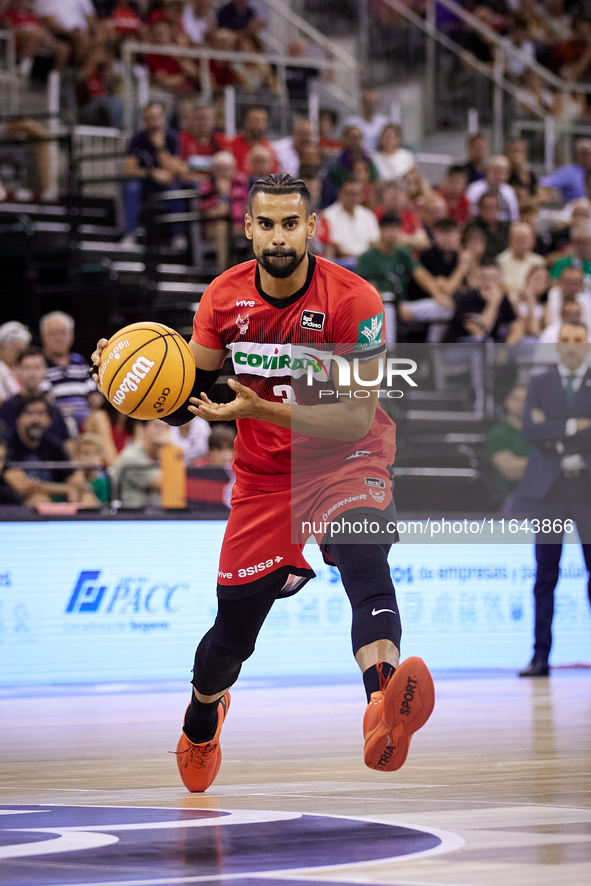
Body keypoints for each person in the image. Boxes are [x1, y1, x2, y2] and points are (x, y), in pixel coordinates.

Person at [92, 172, 436, 793]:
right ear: (248, 228)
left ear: (311, 227)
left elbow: (357, 415)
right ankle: (203, 716)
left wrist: (260, 410)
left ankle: (383, 706)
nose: (279, 236)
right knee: (231, 636)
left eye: (290, 223)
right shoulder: (221, 299)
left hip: (348, 458)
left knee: (365, 560)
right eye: (267, 224)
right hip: (265, 479)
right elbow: (186, 397)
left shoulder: (354, 300)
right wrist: (121, 377)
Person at [517, 321, 591, 677]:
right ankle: (540, 656)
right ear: (557, 346)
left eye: (579, 340)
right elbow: (531, 430)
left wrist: (554, 430)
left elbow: (543, 429)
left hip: (587, 490)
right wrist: (577, 426)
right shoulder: (540, 382)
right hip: (550, 491)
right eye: (566, 340)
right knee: (545, 575)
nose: (573, 346)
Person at [3, 395, 96, 506]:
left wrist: (77, 486)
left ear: (49, 420)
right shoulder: (8, 446)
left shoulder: (54, 445)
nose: (35, 419)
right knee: (39, 499)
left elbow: (75, 480)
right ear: (18, 419)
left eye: (41, 413)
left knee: (87, 499)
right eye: (29, 413)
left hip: (56, 499)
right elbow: (22, 486)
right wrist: (66, 489)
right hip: (17, 505)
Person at [122, 102, 189, 252]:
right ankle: (130, 234)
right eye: (150, 118)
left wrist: (160, 147)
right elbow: (129, 169)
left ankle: (178, 236)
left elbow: (175, 168)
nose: (154, 121)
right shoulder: (138, 138)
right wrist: (152, 173)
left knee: (175, 190)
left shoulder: (172, 138)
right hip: (145, 182)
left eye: (157, 117)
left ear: (163, 118)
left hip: (167, 181)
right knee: (132, 187)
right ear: (144, 120)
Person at [0, 346, 70, 445]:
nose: (32, 374)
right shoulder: (6, 408)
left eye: (37, 367)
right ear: (17, 370)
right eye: (27, 368)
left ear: (45, 370)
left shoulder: (53, 410)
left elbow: (66, 443)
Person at [40, 311, 96, 431]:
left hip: (86, 417)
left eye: (63, 333)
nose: (58, 338)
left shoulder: (79, 361)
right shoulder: (40, 364)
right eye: (53, 333)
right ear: (43, 337)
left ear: (71, 336)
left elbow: (93, 393)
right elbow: (46, 399)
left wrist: (96, 400)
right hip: (58, 418)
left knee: (100, 417)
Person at [443, 261, 518, 343]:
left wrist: (506, 347)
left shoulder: (503, 298)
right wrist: (493, 302)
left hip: (488, 345)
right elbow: (481, 330)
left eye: (494, 278)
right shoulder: (466, 299)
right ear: (479, 279)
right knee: (483, 341)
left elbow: (517, 324)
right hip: (461, 344)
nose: (490, 282)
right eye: (486, 278)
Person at [317, 179, 380, 268]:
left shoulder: (368, 215)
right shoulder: (328, 215)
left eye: (356, 194)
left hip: (367, 262)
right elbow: (333, 246)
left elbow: (374, 242)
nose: (353, 198)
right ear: (340, 193)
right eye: (349, 194)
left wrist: (364, 258)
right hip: (341, 263)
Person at [111, 418, 171, 507]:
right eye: (156, 425)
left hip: (155, 514)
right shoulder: (132, 457)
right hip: (133, 515)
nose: (161, 431)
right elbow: (169, 483)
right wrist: (170, 445)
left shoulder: (162, 454)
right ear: (143, 428)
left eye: (166, 427)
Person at [486, 385, 530, 506]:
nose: (521, 404)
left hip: (543, 494)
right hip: (511, 495)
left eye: (526, 400)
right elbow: (510, 472)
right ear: (507, 402)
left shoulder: (542, 433)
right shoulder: (498, 433)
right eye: (516, 399)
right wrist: (541, 463)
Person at [497, 222, 546, 299]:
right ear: (510, 240)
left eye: (525, 240)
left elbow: (541, 287)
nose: (521, 243)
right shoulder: (500, 260)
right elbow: (499, 284)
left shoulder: (539, 261)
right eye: (518, 239)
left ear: (532, 241)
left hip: (532, 300)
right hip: (507, 300)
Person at [179, 104, 229, 177]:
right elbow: (178, 166)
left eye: (207, 118)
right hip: (190, 182)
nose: (203, 122)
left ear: (213, 121)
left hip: (215, 182)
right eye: (199, 118)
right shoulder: (182, 139)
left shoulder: (221, 139)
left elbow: (227, 167)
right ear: (191, 120)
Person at [466, 156, 520, 223]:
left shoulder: (509, 191)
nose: (498, 176)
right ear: (487, 170)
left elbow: (514, 217)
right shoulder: (474, 189)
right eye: (495, 171)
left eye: (502, 172)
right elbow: (469, 213)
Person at [230, 106, 279, 176]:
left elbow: (274, 174)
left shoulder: (270, 149)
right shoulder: (233, 145)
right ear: (246, 122)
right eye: (253, 120)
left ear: (266, 124)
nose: (256, 124)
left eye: (260, 121)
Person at [540, 138, 591, 204]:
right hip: (575, 209)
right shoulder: (569, 172)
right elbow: (544, 183)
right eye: (584, 153)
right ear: (577, 154)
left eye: (588, 153)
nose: (587, 157)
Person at [465, 192, 511, 259]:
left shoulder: (506, 226)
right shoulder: (472, 227)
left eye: (493, 207)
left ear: (498, 208)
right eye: (486, 207)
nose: (490, 211)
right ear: (480, 209)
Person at [546, 265, 591, 330]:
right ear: (560, 282)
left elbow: (588, 326)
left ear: (581, 285)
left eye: (575, 283)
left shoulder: (584, 299)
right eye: (568, 282)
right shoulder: (554, 294)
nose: (571, 287)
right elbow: (551, 324)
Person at [550, 225, 591, 290]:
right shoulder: (561, 264)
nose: (583, 246)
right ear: (573, 243)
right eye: (579, 242)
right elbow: (553, 285)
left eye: (586, 242)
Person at [0, 321, 31, 404]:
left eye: (24, 351)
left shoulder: (26, 367)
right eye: (17, 350)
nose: (20, 356)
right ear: (1, 347)